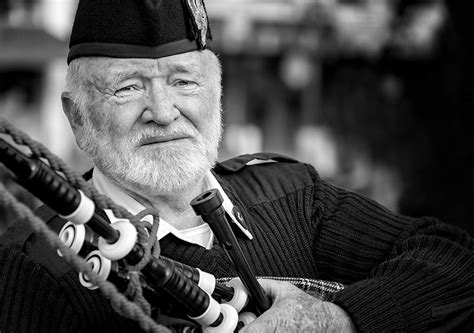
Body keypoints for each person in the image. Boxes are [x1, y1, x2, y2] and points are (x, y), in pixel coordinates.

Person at [1, 0, 473, 332]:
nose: (163, 111)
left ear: (217, 95)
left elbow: (456, 262)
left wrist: (338, 320)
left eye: (185, 81)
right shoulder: (36, 260)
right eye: (126, 88)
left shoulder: (290, 191)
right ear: (77, 117)